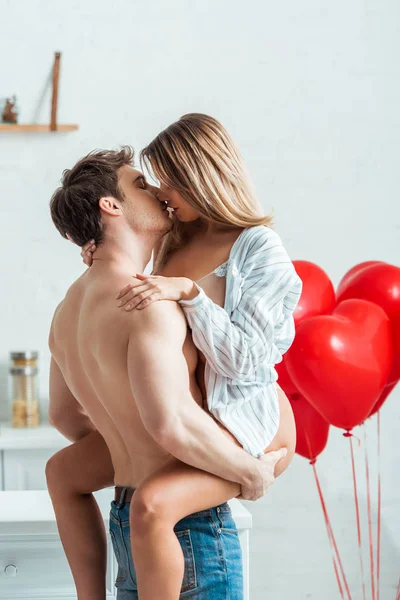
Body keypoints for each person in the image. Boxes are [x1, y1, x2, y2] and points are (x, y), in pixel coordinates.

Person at [47, 137, 297, 600]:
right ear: (111, 205)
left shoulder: (66, 312)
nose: (159, 191)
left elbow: (66, 419)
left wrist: (126, 436)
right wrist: (251, 471)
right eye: (142, 184)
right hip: (183, 530)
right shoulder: (148, 302)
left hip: (127, 517)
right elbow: (171, 422)